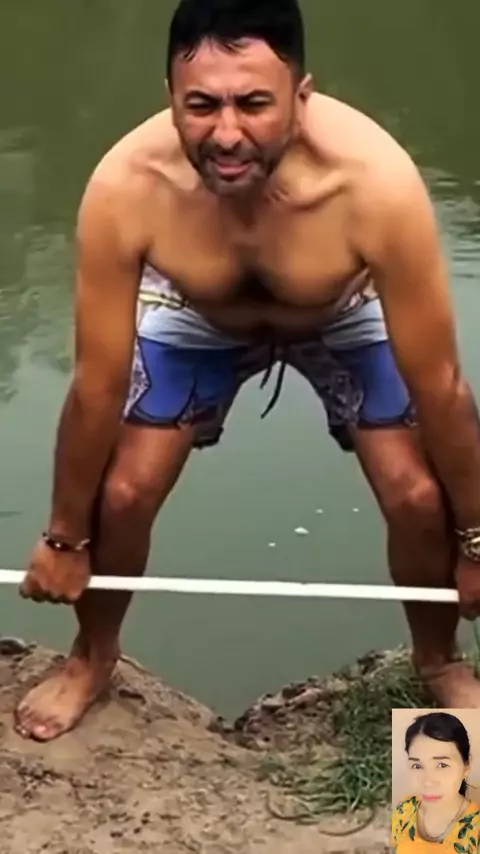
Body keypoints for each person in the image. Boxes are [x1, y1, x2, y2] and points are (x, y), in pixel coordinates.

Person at [13, 0, 480, 742]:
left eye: (254, 104)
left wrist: (476, 541)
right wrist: (65, 538)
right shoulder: (126, 185)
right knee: (124, 491)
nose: (227, 133)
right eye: (201, 105)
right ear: (170, 95)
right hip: (196, 312)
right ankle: (93, 655)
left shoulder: (374, 184)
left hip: (341, 307)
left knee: (418, 495)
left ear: (302, 94)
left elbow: (442, 385)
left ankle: (437, 659)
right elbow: (97, 383)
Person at [392, 712, 480, 850]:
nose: (427, 782)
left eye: (442, 765)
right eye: (417, 766)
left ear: (466, 766)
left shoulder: (476, 829)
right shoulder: (404, 810)